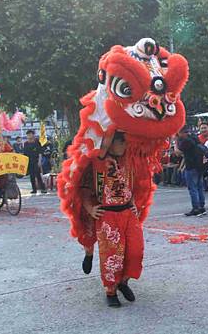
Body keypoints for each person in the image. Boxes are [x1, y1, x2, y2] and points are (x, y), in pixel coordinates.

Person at [79, 132, 144, 307]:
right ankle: (111, 290)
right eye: (120, 141)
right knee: (112, 256)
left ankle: (124, 281)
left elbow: (130, 185)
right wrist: (90, 208)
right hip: (107, 214)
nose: (124, 144)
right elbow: (84, 190)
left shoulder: (129, 160)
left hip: (128, 214)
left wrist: (132, 203)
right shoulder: (98, 162)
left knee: (136, 252)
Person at [179, 128, 207, 217]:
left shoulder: (186, 141)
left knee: (193, 188)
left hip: (191, 166)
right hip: (199, 166)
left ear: (182, 133)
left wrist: (176, 141)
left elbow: (178, 152)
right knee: (199, 187)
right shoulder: (195, 138)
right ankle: (202, 207)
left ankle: (196, 208)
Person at [23, 130, 46, 194]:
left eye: (30, 134)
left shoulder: (37, 142)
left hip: (36, 160)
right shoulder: (25, 143)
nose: (29, 136)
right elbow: (25, 154)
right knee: (31, 176)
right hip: (29, 161)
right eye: (28, 134)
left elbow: (40, 152)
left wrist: (39, 161)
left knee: (38, 174)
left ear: (33, 135)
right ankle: (34, 189)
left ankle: (43, 188)